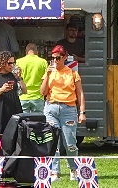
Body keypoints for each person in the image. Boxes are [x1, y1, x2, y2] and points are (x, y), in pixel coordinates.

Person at [41, 45, 86, 182]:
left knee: (70, 142)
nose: (55, 61)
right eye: (53, 58)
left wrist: (82, 112)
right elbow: (42, 92)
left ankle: (73, 168)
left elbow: (80, 93)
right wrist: (47, 75)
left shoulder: (72, 73)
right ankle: (55, 172)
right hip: (51, 108)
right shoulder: (49, 72)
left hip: (68, 109)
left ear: (65, 57)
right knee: (53, 141)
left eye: (58, 58)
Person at [0, 51, 25, 134]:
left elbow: (25, 91)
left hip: (14, 109)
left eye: (13, 63)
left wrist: (20, 78)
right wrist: (1, 90)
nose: (12, 66)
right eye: (9, 63)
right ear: (3, 63)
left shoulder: (13, 76)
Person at [17, 42, 48, 112]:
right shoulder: (43, 62)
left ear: (26, 52)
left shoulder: (19, 62)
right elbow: (46, 79)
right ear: (37, 52)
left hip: (22, 97)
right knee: (38, 121)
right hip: (38, 96)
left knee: (22, 121)